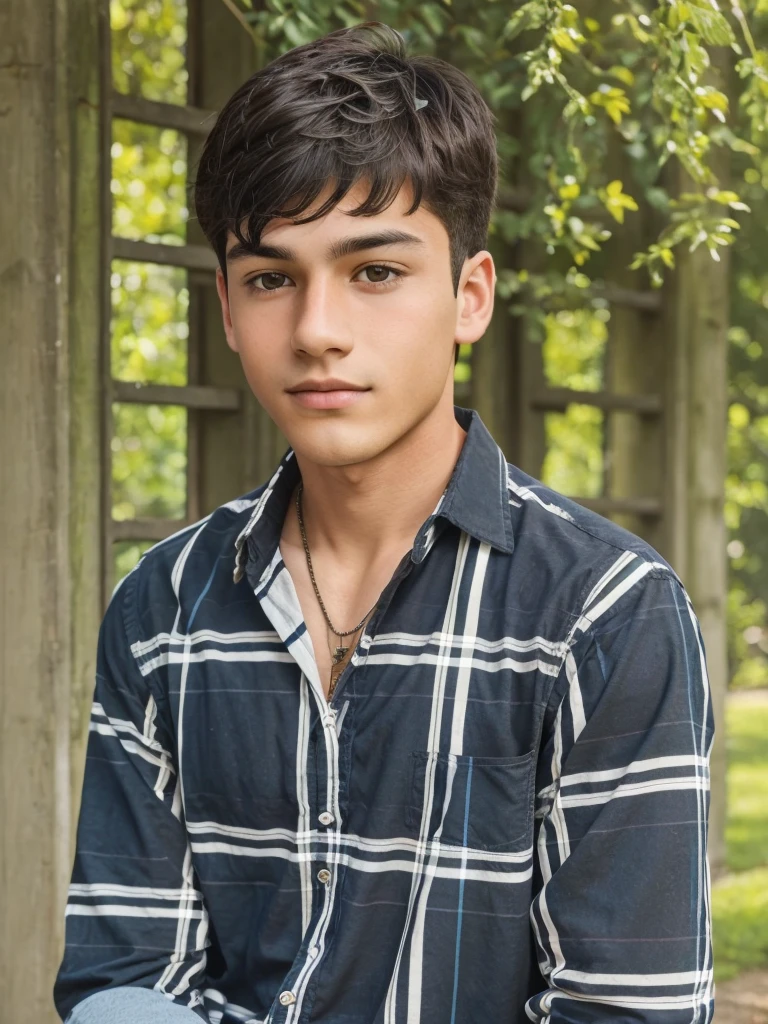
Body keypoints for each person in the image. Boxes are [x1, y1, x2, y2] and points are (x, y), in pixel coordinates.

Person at [54, 21, 714, 1024]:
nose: (317, 329)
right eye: (272, 278)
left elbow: (632, 1008)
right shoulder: (161, 609)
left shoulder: (606, 614)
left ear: (469, 295)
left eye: (375, 271)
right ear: (228, 311)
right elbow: (124, 980)